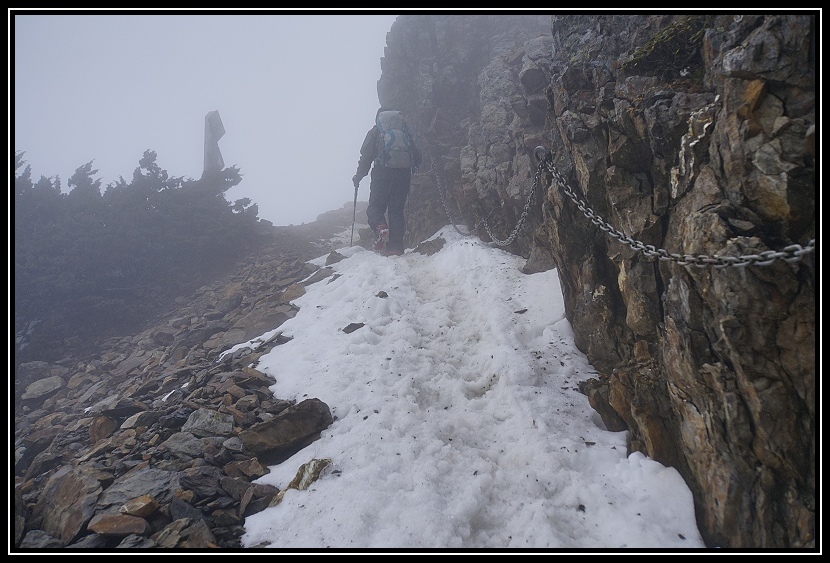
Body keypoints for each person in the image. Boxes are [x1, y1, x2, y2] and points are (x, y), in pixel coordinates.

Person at [352, 108, 422, 256]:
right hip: (403, 175)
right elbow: (417, 155)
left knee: (375, 207)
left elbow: (366, 157)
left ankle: (380, 227)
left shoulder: (376, 131)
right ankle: (395, 248)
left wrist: (358, 176)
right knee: (396, 211)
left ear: (379, 117)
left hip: (382, 175)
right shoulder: (405, 132)